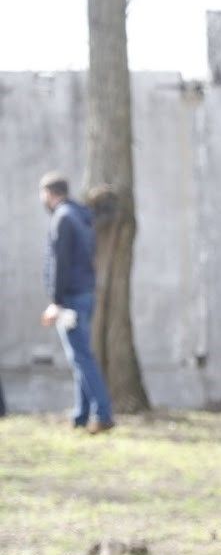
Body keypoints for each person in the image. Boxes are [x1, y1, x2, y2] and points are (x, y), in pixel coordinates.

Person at [38, 172, 113, 433]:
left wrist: (56, 302)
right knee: (79, 355)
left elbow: (60, 263)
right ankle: (81, 415)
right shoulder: (81, 216)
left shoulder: (63, 218)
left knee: (81, 357)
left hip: (70, 297)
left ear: (50, 193)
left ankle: (102, 413)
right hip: (85, 294)